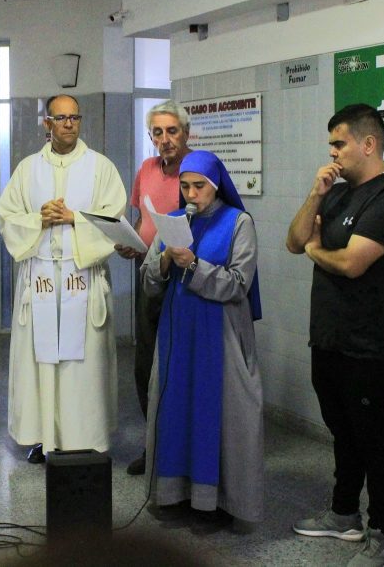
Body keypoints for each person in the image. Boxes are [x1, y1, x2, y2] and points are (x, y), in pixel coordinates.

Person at [285, 104, 384, 567]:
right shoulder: (337, 194)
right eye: (331, 145)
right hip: (329, 337)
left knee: (372, 436)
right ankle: (344, 512)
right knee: (342, 431)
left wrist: (316, 249)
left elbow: (350, 263)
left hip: (369, 344)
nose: (333, 153)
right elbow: (294, 240)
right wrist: (315, 194)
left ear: (368, 144)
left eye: (339, 144)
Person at [140, 150, 263, 533]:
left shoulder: (238, 222)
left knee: (223, 416)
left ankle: (219, 502)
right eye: (185, 187)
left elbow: (239, 284)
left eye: (199, 187)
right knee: (176, 408)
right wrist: (164, 261)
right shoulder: (173, 221)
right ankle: (176, 494)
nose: (191, 195)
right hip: (178, 335)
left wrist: (193, 265)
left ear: (216, 185)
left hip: (220, 336)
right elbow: (149, 280)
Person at [0, 94, 126, 463]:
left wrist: (74, 218)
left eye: (74, 117)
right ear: (47, 123)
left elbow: (115, 219)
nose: (69, 124)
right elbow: (7, 217)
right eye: (61, 118)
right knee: (42, 362)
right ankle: (44, 438)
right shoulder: (28, 169)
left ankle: (84, 437)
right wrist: (38, 218)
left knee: (82, 367)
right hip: (40, 277)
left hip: (81, 276)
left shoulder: (100, 167)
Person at [114, 100, 192, 476]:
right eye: (157, 133)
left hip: (186, 279)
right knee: (145, 363)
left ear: (186, 133)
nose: (165, 139)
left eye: (172, 131)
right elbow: (141, 218)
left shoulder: (198, 171)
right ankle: (154, 445)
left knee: (179, 363)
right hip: (148, 275)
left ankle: (183, 451)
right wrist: (130, 241)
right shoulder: (146, 168)